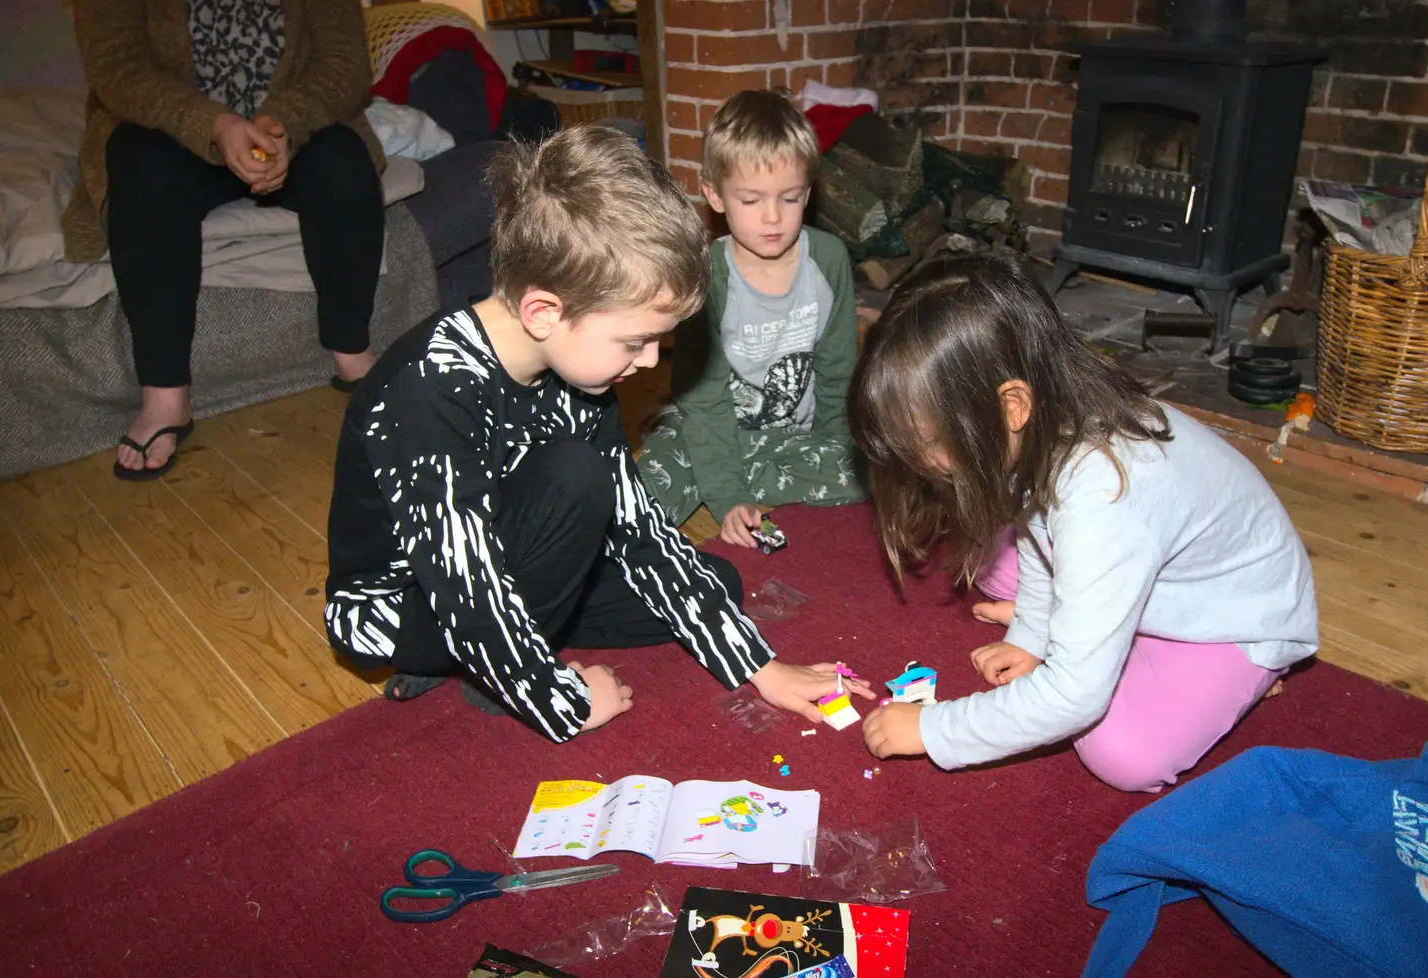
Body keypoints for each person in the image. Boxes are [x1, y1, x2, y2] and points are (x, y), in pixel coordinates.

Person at [322, 125, 873, 742]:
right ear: (544, 311)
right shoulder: (427, 392)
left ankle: (515, 641)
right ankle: (486, 673)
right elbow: (467, 587)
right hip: (412, 602)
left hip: (509, 558)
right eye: (634, 341)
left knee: (718, 585)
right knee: (576, 472)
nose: (646, 364)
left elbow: (639, 529)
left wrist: (760, 668)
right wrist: (563, 700)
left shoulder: (573, 366)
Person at [850, 255, 1318, 792]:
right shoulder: (1048, 416)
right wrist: (1031, 632)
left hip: (1238, 616)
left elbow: (1075, 696)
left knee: (1121, 754)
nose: (921, 467)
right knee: (991, 564)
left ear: (1011, 407)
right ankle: (1099, 635)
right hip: (1156, 565)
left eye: (928, 446)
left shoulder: (1101, 494)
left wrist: (933, 729)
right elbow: (1034, 522)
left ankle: (1249, 677)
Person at [65, 0, 387, 480]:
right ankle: (165, 394)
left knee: (344, 164)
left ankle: (352, 351)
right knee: (142, 168)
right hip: (169, 133)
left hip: (287, 133)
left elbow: (345, 64)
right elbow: (116, 65)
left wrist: (280, 126)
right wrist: (215, 125)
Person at [637, 89, 867, 547]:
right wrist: (727, 497)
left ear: (809, 191)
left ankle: (736, 472)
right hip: (709, 427)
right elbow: (704, 402)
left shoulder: (829, 258)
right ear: (714, 195)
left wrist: (838, 450)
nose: (772, 217)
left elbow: (839, 373)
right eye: (750, 200)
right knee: (648, 479)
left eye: (790, 198)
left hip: (791, 438)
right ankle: (723, 474)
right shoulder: (707, 276)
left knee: (872, 471)